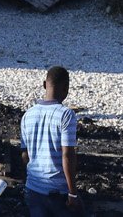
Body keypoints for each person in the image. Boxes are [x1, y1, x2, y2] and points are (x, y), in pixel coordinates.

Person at [20, 66, 80, 216]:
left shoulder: (28, 115)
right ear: (66, 88)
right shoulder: (66, 115)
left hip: (33, 188)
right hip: (57, 192)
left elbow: (25, 155)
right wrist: (72, 193)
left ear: (44, 85)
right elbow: (67, 155)